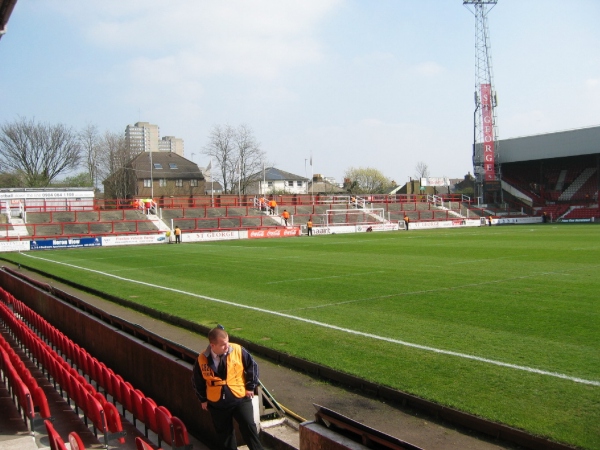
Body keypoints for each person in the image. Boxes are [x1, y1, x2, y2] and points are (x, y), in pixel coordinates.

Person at [192, 327, 264, 450]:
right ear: (213, 345)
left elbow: (253, 366)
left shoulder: (238, 350)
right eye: (223, 345)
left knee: (249, 427)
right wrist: (202, 399)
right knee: (225, 435)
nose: (227, 346)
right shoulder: (202, 358)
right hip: (217, 403)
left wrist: (250, 387)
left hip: (240, 398)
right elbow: (197, 380)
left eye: (227, 342)